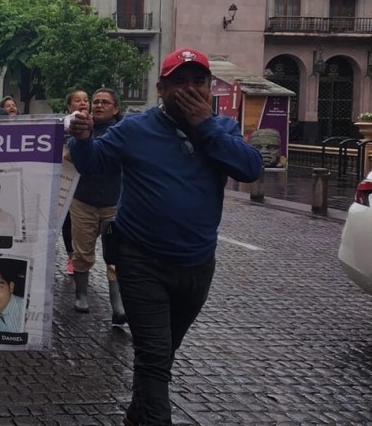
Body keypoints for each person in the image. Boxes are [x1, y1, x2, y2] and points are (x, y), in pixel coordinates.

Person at [69, 47, 262, 425]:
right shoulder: (135, 128)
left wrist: (205, 125)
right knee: (154, 355)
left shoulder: (220, 129)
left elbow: (250, 169)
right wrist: (84, 138)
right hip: (140, 259)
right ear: (161, 88)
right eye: (179, 82)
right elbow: (91, 163)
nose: (189, 89)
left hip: (196, 264)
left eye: (198, 82)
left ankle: (138, 414)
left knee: (163, 351)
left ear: (209, 88)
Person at [69, 88, 125, 324]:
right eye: (96, 102)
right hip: (84, 201)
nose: (99, 105)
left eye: (105, 102)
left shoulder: (124, 132)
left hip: (114, 203)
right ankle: (81, 294)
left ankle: (118, 303)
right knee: (82, 251)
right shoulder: (82, 129)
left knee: (116, 254)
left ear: (116, 108)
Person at [61, 90, 91, 275]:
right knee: (68, 220)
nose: (83, 103)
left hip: (89, 182)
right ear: (69, 106)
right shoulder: (66, 123)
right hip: (69, 178)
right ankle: (72, 256)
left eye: (86, 100)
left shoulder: (94, 122)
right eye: (78, 100)